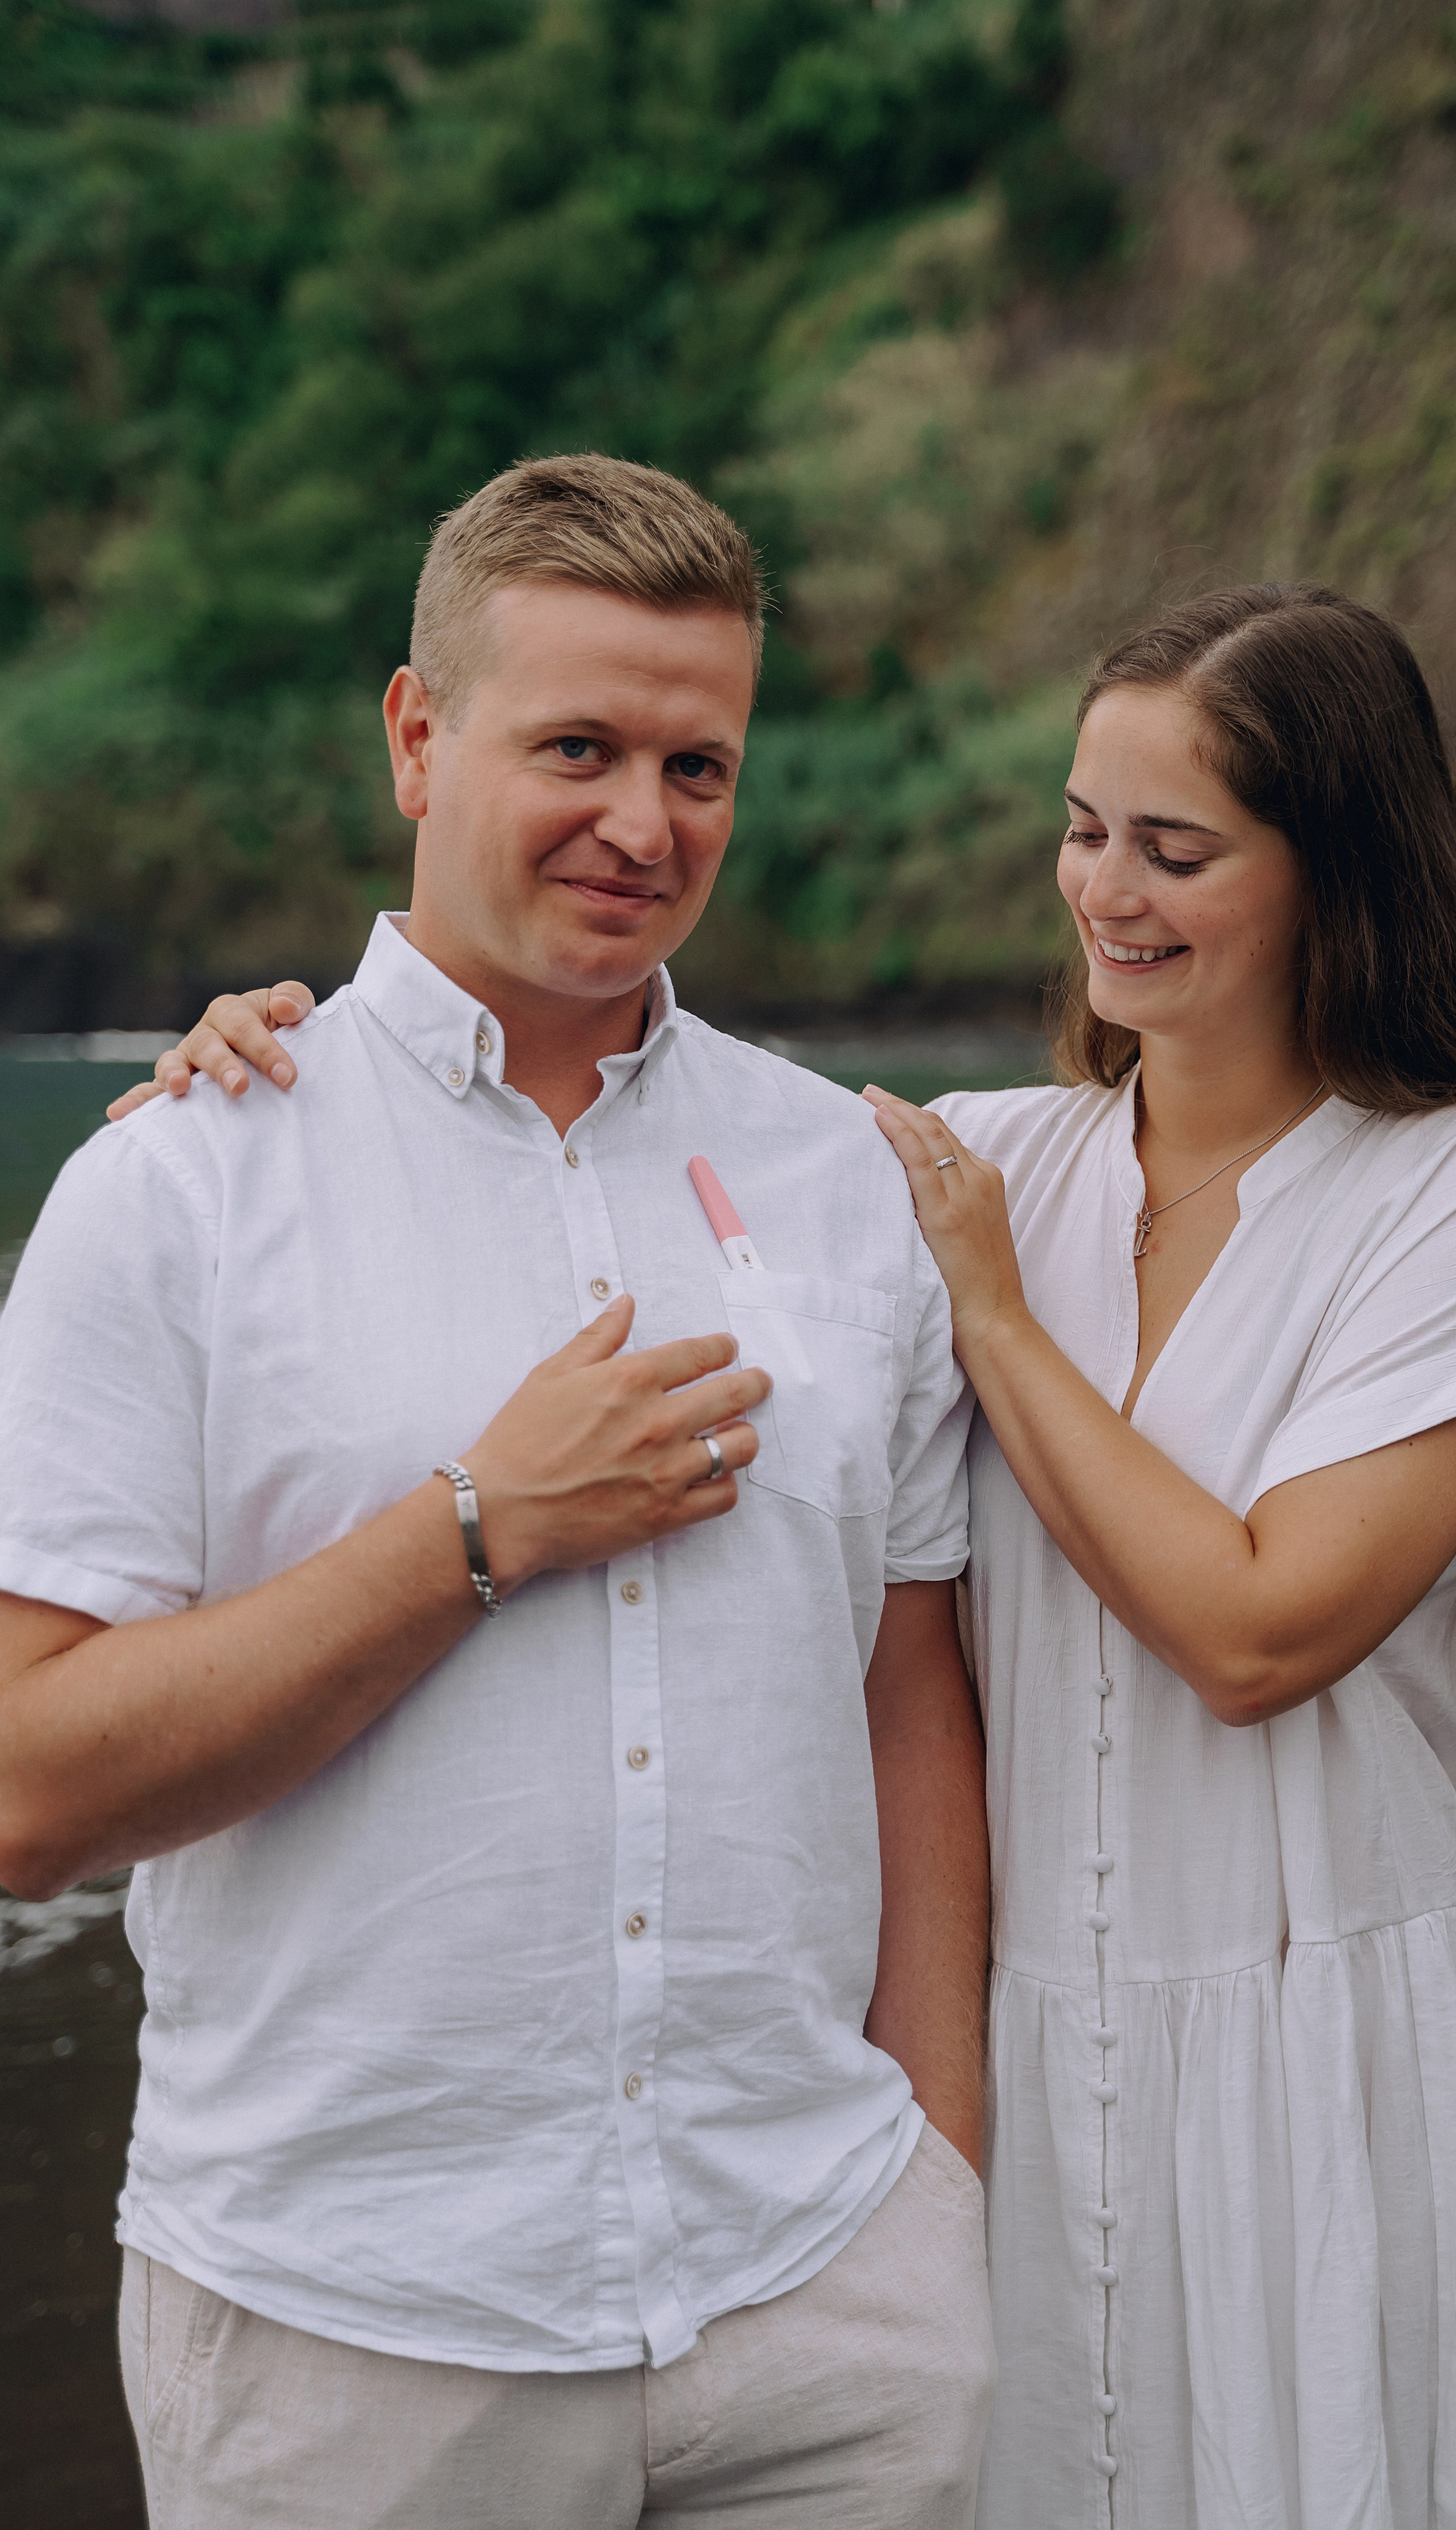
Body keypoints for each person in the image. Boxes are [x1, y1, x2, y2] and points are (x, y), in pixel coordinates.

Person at [119, 582, 1456, 2529]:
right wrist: (267, 1078)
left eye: (1177, 849)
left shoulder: (1455, 1188)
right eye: (1085, 831)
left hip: (1310, 2040)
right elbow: (606, 1132)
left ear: (1338, 869)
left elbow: (1261, 1629)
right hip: (1009, 2056)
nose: (1109, 892)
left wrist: (996, 1313)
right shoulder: (972, 1154)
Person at [0, 454, 994, 2530]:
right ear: (416, 735)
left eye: (698, 763)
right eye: (579, 746)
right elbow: (27, 1794)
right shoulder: (179, 1187)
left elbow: (909, 1685)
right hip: (353, 2323)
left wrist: (943, 2180)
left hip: (825, 2302)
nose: (645, 823)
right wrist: (474, 1529)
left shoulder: (852, 1177)